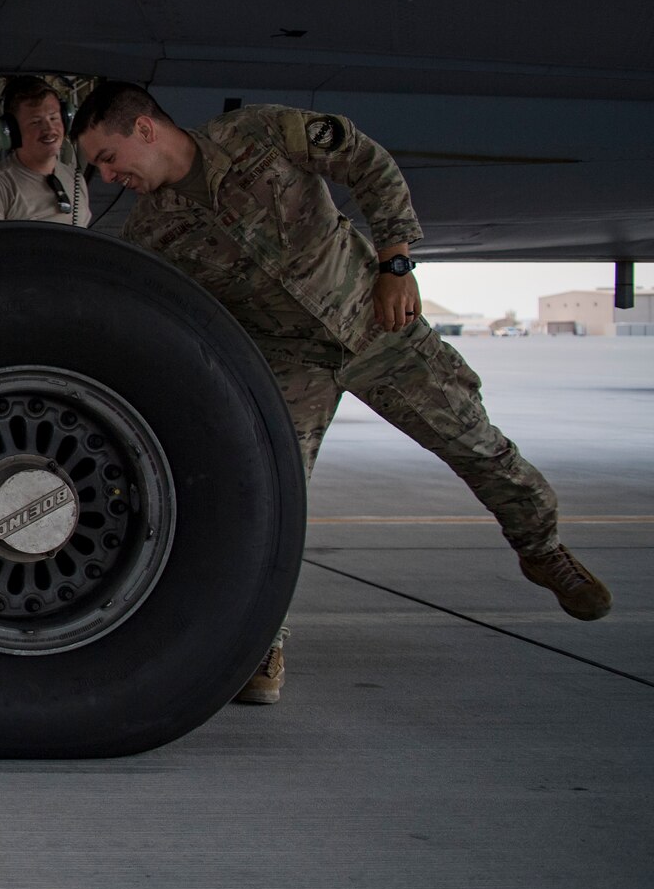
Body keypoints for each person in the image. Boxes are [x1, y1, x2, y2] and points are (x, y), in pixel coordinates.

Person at [69, 81, 611, 704]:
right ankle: (261, 640)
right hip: (287, 360)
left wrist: (396, 263)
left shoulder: (260, 134)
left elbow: (368, 163)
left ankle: (543, 551)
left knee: (478, 446)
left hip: (376, 320)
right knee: (273, 502)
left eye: (108, 158)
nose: (108, 177)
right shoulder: (153, 232)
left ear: (144, 129)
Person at [0, 77, 91, 227]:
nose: (49, 130)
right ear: (12, 132)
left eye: (54, 118)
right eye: (35, 122)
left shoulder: (75, 179)